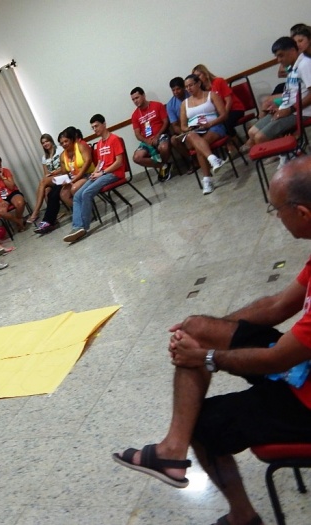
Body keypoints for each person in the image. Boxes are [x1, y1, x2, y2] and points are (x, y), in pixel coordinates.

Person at [112, 156, 311, 525]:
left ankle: (243, 518)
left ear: (302, 213)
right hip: (303, 366)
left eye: (276, 209)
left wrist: (206, 356)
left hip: (306, 402)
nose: (274, 217)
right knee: (196, 327)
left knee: (204, 426)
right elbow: (278, 305)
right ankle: (172, 449)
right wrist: (210, 330)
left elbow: (279, 359)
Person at [242, 37, 311, 152]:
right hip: (289, 109)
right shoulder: (292, 67)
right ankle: (286, 152)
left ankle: (286, 155)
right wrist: (280, 106)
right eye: (277, 56)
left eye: (281, 55)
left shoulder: (305, 65)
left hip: (302, 111)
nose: (279, 60)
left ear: (292, 51)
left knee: (260, 138)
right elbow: (291, 93)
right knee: (252, 132)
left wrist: (290, 109)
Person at [63, 114, 125, 244]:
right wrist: (95, 172)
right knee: (77, 195)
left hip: (114, 173)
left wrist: (102, 173)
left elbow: (119, 162)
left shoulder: (115, 139)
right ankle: (76, 227)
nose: (95, 129)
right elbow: (100, 162)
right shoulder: (100, 144)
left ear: (104, 124)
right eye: (93, 127)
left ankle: (83, 228)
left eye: (96, 126)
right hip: (102, 173)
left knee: (87, 193)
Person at [179, 74, 228, 195]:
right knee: (191, 135)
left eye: (191, 85)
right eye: (186, 87)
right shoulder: (184, 103)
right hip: (195, 131)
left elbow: (224, 115)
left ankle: (207, 180)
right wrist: (190, 128)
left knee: (199, 147)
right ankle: (213, 159)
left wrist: (209, 124)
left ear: (199, 83)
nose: (189, 88)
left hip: (213, 126)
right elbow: (183, 126)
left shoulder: (212, 95)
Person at [192, 64, 246, 149]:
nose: (198, 78)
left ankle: (234, 144)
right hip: (219, 114)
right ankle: (230, 144)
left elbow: (229, 100)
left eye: (199, 75)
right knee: (207, 127)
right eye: (195, 77)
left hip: (234, 109)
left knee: (224, 123)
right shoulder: (203, 91)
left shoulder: (218, 81)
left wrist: (223, 115)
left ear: (205, 73)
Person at [130, 87, 172, 182]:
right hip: (146, 141)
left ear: (143, 95)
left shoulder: (157, 105)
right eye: (133, 99)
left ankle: (164, 166)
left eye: (137, 98)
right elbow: (137, 134)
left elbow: (166, 122)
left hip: (161, 135)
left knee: (163, 147)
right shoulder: (135, 115)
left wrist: (157, 135)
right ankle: (163, 165)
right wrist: (146, 141)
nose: (135, 101)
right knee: (136, 158)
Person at [26, 133, 63, 226]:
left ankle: (36, 212)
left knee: (43, 182)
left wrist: (55, 173)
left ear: (51, 141)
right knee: (46, 191)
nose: (45, 144)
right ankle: (53, 217)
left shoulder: (60, 150)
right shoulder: (44, 157)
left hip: (62, 176)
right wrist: (49, 176)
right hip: (53, 179)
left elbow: (65, 166)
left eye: (47, 141)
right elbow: (46, 173)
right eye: (43, 143)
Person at [0, 155, 27, 232]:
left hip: (12, 192)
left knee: (20, 203)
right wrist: (0, 200)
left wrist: (3, 177)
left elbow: (11, 186)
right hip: (2, 197)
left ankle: (19, 224)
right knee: (1, 212)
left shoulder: (6, 171)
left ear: (1, 165)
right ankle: (19, 221)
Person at [166, 77, 195, 173]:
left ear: (183, 87)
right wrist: (186, 132)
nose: (176, 92)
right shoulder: (170, 105)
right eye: (173, 90)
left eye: (178, 89)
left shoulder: (191, 94)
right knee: (173, 140)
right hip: (184, 129)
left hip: (198, 123)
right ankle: (192, 160)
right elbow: (175, 125)